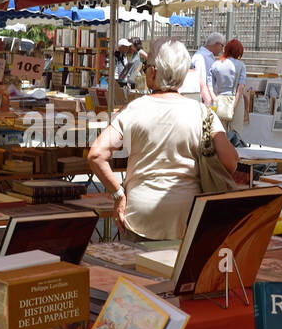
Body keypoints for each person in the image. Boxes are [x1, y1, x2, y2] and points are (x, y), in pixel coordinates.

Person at [86, 39, 239, 241]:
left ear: (153, 72)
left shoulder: (135, 109)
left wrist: (118, 194)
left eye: (146, 67)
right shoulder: (201, 112)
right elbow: (230, 161)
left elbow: (96, 155)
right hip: (188, 214)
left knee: (136, 272)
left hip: (141, 214)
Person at [210, 38, 247, 138]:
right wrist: (233, 107)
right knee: (235, 132)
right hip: (236, 100)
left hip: (220, 99)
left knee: (219, 131)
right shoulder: (241, 65)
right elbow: (241, 88)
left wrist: (215, 99)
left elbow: (210, 86)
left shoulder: (216, 64)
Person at [184, 32, 226, 104]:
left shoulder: (207, 56)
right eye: (222, 46)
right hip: (204, 99)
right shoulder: (200, 57)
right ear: (217, 44)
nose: (222, 49)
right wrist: (206, 98)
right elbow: (201, 79)